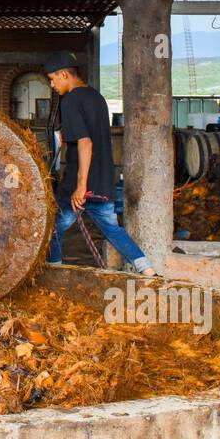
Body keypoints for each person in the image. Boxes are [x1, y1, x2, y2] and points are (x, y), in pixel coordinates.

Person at [44, 50, 156, 276]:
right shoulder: (96, 97)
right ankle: (148, 269)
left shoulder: (71, 101)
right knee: (113, 229)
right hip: (103, 180)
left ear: (64, 74)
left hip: (80, 184)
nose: (53, 85)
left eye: (53, 79)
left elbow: (85, 143)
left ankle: (53, 272)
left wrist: (81, 186)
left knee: (52, 229)